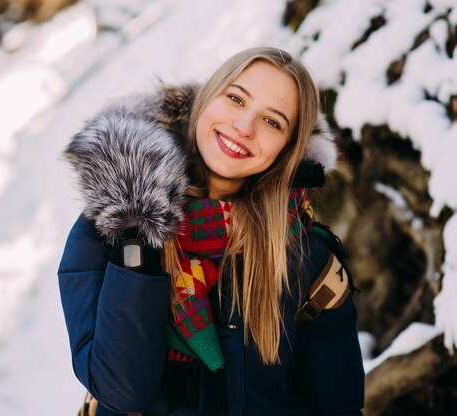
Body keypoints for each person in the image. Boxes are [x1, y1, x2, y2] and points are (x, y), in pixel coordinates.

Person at [59, 47, 365, 415]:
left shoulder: (307, 257)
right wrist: (137, 229)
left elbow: (339, 407)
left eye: (273, 122)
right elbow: (122, 391)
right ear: (206, 99)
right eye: (236, 98)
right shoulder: (108, 226)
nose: (244, 127)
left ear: (287, 150)